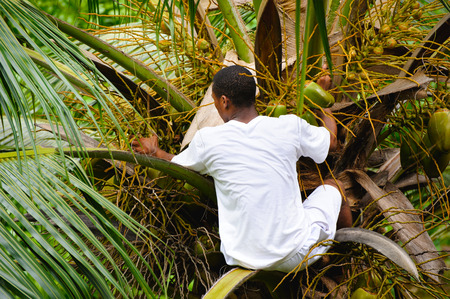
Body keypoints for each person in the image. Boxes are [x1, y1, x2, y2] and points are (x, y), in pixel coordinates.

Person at [132, 65, 352, 273]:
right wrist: (323, 101)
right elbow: (331, 142)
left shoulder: (209, 140)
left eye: (216, 101)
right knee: (336, 187)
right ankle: (344, 264)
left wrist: (155, 152)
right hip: (295, 254)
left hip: (242, 258)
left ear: (225, 101)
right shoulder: (289, 126)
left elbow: (178, 164)